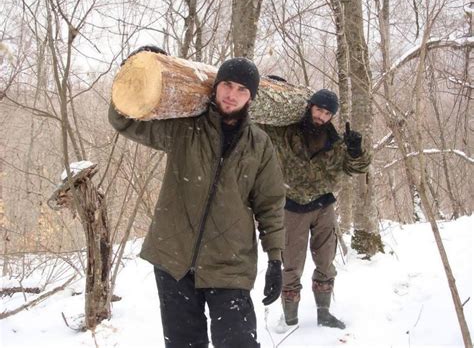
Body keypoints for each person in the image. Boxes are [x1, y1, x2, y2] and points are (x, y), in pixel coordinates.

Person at [109, 51, 285, 348]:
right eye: (227, 84)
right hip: (173, 259)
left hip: (230, 264)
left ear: (251, 98)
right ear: (216, 86)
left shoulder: (260, 145)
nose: (232, 95)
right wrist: (132, 75)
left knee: (239, 343)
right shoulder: (184, 126)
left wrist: (276, 259)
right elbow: (124, 121)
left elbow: (270, 204)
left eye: (242, 89)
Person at [261, 81, 371, 330]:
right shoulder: (285, 131)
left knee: (325, 262)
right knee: (291, 264)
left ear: (332, 116)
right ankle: (289, 319)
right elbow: (260, 121)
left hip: (323, 206)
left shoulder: (336, 142)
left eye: (327, 113)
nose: (321, 116)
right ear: (310, 107)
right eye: (319, 110)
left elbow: (358, 168)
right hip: (291, 206)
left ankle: (324, 314)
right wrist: (272, 85)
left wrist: (356, 151)